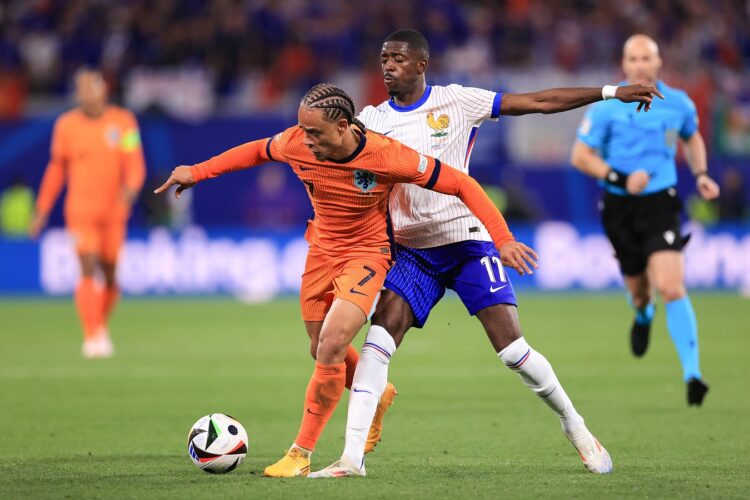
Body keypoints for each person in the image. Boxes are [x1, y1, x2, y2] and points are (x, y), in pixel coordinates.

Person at [309, 28, 662, 478]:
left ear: (421, 64)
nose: (388, 65)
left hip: (467, 240)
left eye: (397, 57)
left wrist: (611, 92)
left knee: (513, 351)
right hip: (413, 252)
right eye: (383, 57)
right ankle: (350, 459)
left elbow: (536, 102)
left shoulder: (458, 101)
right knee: (377, 344)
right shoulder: (371, 120)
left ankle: (576, 426)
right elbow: (329, 152)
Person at [154, 83, 537, 477]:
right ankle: (378, 393)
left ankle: (300, 454)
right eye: (302, 130)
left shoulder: (387, 155)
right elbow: (255, 151)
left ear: (342, 126)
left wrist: (502, 239)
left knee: (333, 343)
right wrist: (197, 172)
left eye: (314, 132)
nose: (305, 140)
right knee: (318, 346)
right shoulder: (295, 143)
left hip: (367, 255)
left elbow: (461, 183)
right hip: (320, 251)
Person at [571, 34, 720, 405]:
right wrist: (620, 178)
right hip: (620, 206)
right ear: (625, 65)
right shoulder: (606, 108)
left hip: (661, 203)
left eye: (646, 58)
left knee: (672, 286)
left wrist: (701, 174)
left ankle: (693, 375)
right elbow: (580, 156)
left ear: (658, 62)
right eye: (633, 59)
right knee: (640, 291)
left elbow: (693, 138)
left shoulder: (679, 104)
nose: (639, 65)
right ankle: (642, 314)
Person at [30, 68, 146, 358]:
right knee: (87, 266)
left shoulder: (124, 122)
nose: (87, 95)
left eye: (92, 88)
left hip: (114, 212)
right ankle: (92, 334)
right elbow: (57, 169)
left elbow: (135, 163)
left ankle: (100, 326)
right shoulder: (66, 126)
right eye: (82, 90)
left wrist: (131, 188)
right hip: (81, 210)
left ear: (103, 91)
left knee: (109, 275)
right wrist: (42, 208)